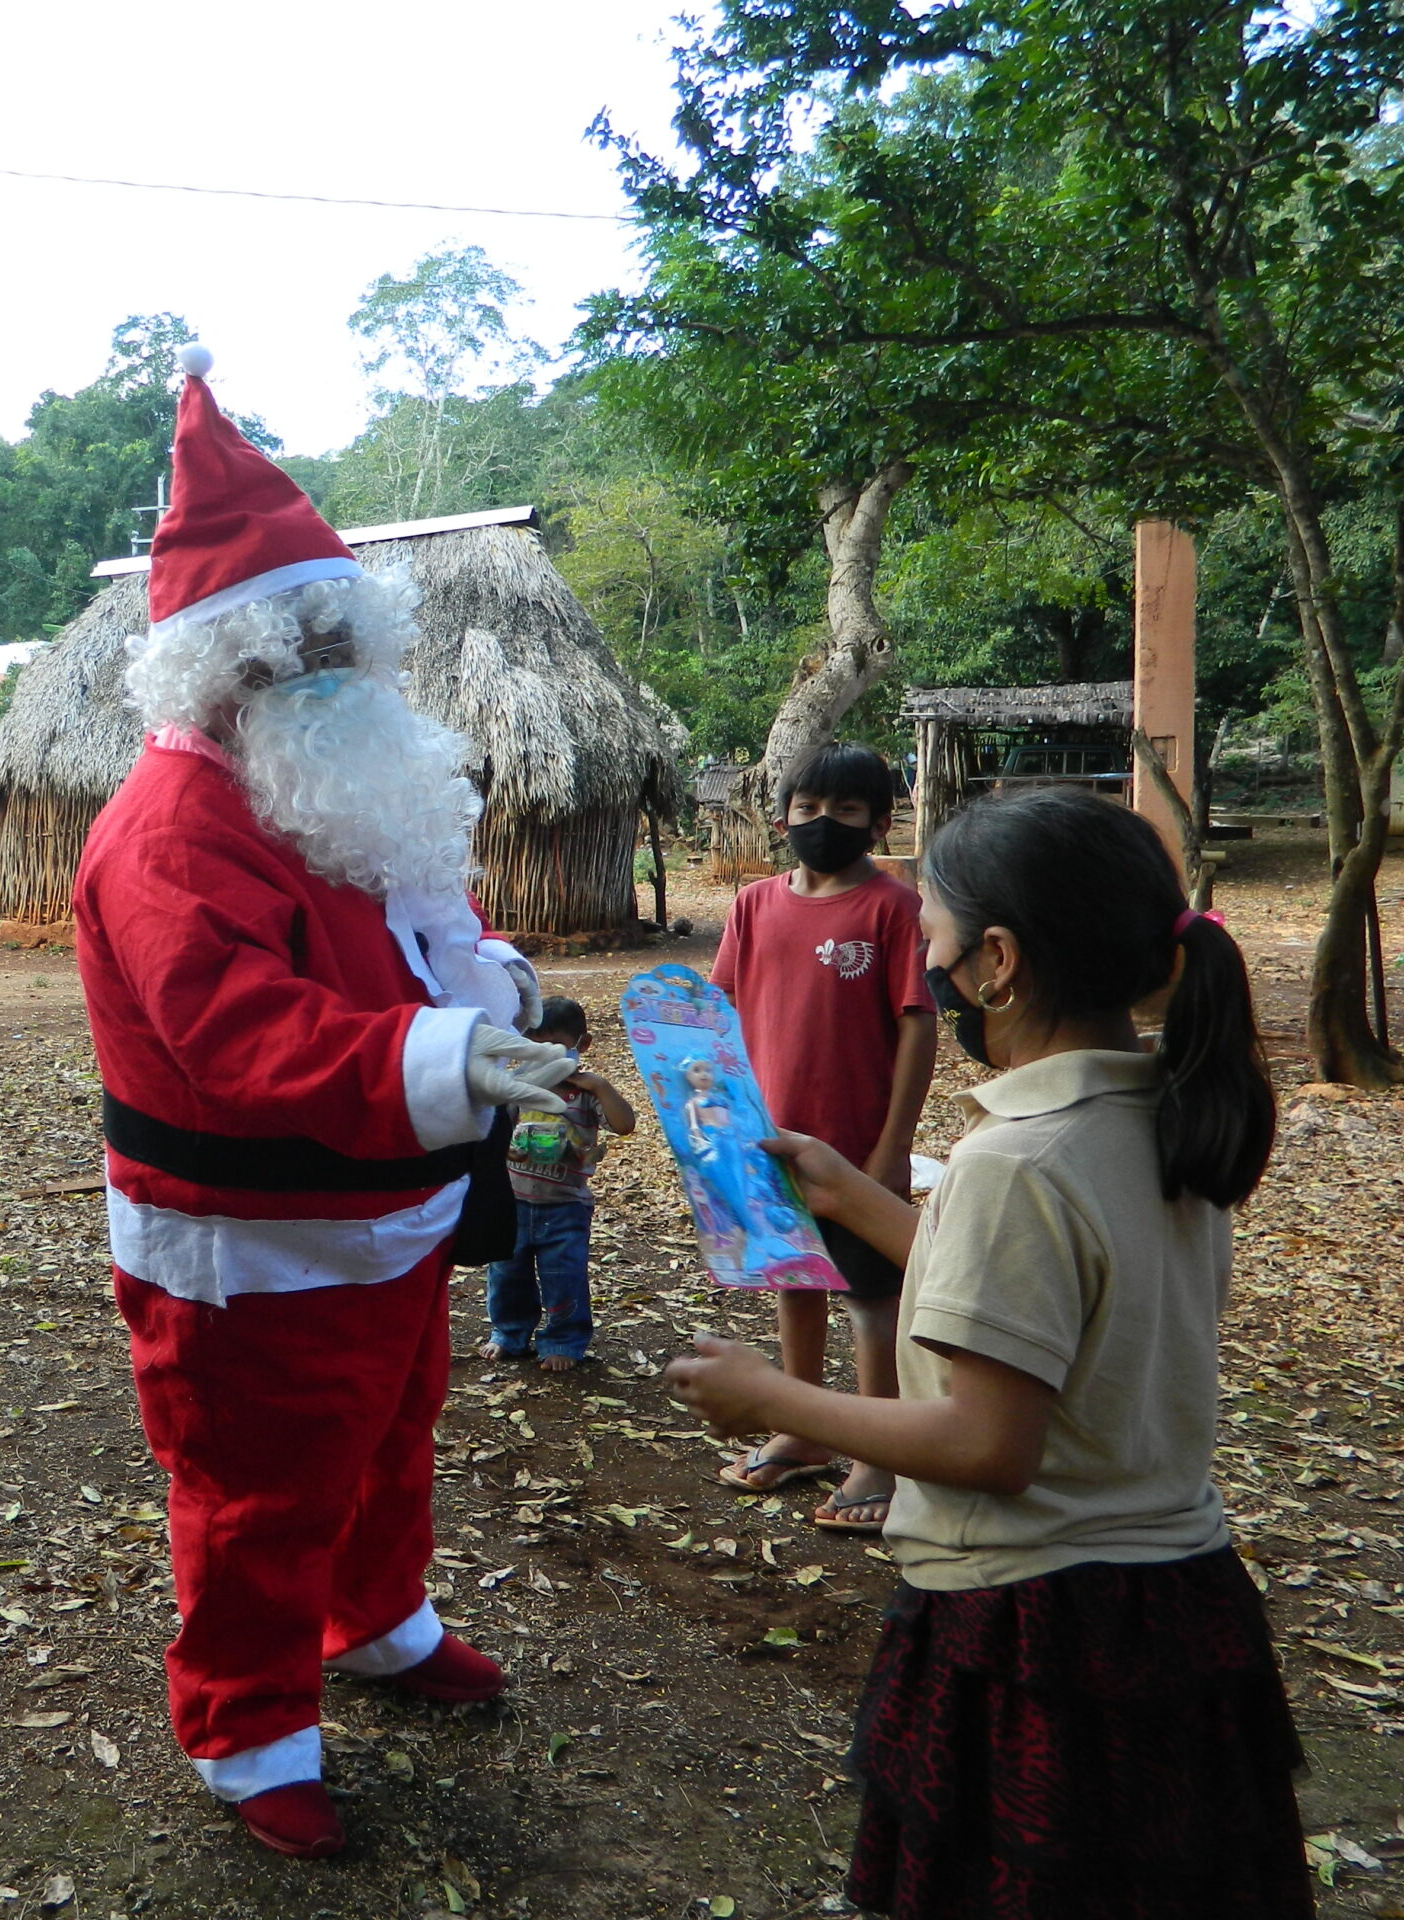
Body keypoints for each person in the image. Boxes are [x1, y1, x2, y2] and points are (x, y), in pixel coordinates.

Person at [72, 345, 575, 1861]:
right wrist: (441, 1064)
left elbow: (424, 933)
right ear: (216, 672)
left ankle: (378, 1621)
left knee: (395, 1428)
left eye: (337, 645)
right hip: (251, 1240)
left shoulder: (337, 779)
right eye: (289, 655)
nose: (322, 679)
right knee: (257, 1485)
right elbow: (238, 1034)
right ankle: (247, 1724)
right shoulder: (171, 829)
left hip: (388, 1206)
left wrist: (497, 1004)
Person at [665, 787, 1303, 1919]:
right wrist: (851, 1194)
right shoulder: (1158, 1115)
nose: (933, 973)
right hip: (1180, 1606)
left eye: (939, 949)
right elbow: (1024, 1301)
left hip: (1039, 1629)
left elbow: (984, 1442)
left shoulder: (1019, 1164)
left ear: (996, 963)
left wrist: (774, 1395)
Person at [708, 743, 937, 1534]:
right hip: (767, 1142)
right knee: (795, 1281)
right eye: (808, 807)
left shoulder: (893, 909)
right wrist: (722, 1132)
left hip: (858, 1147)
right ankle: (802, 1428)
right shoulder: (752, 904)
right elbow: (719, 1016)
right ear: (783, 815)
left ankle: (879, 1455)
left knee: (873, 1299)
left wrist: (892, 1146)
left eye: (845, 809)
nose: (823, 823)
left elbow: (917, 1026)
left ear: (877, 820)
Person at [484, 996, 636, 1371]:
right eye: (534, 1049)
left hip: (566, 1205)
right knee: (506, 1274)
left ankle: (564, 1340)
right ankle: (509, 1333)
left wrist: (599, 1085)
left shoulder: (584, 1091)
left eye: (555, 1049)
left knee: (564, 1277)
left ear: (581, 1045)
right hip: (513, 1200)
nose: (544, 1059)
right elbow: (492, 1131)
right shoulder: (515, 1084)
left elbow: (624, 1125)